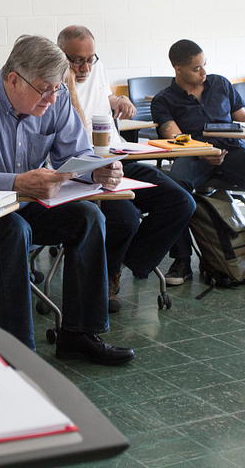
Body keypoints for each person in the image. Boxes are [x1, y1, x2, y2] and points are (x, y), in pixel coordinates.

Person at [0, 34, 135, 365]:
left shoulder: (56, 94)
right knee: (13, 230)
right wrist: (16, 182)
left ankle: (79, 335)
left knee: (89, 218)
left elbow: (75, 154)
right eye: (45, 90)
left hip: (24, 200)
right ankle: (16, 354)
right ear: (13, 79)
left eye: (57, 89)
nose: (53, 99)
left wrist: (95, 172)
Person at [57, 25, 196, 310]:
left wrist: (118, 100)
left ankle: (126, 262)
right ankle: (106, 278)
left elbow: (102, 96)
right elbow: (72, 127)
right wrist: (67, 79)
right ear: (60, 56)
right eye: (76, 60)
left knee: (181, 200)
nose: (85, 67)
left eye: (90, 58)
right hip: (78, 169)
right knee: (125, 218)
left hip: (115, 156)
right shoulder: (52, 80)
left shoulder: (96, 67)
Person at [152, 39, 245, 283]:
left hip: (233, 149)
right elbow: (174, 136)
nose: (204, 73)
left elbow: (242, 117)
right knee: (176, 189)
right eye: (196, 69)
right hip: (195, 154)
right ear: (178, 69)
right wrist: (204, 152)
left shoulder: (220, 83)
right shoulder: (164, 100)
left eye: (205, 65)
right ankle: (181, 260)